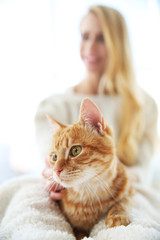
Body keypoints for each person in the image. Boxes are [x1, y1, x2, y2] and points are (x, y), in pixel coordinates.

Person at [35, 5, 158, 202]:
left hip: (126, 195)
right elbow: (51, 165)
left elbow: (143, 171)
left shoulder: (145, 105)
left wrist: (111, 177)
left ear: (119, 44)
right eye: (85, 36)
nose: (90, 48)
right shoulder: (52, 107)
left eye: (102, 38)